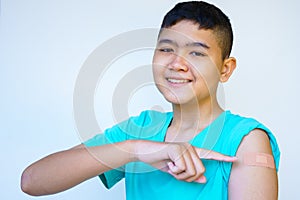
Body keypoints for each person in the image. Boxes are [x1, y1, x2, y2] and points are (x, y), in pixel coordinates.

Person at [21, 1, 280, 199]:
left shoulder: (246, 139)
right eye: (166, 49)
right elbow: (32, 181)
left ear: (225, 69)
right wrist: (135, 149)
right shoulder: (140, 129)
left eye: (196, 53)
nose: (177, 63)